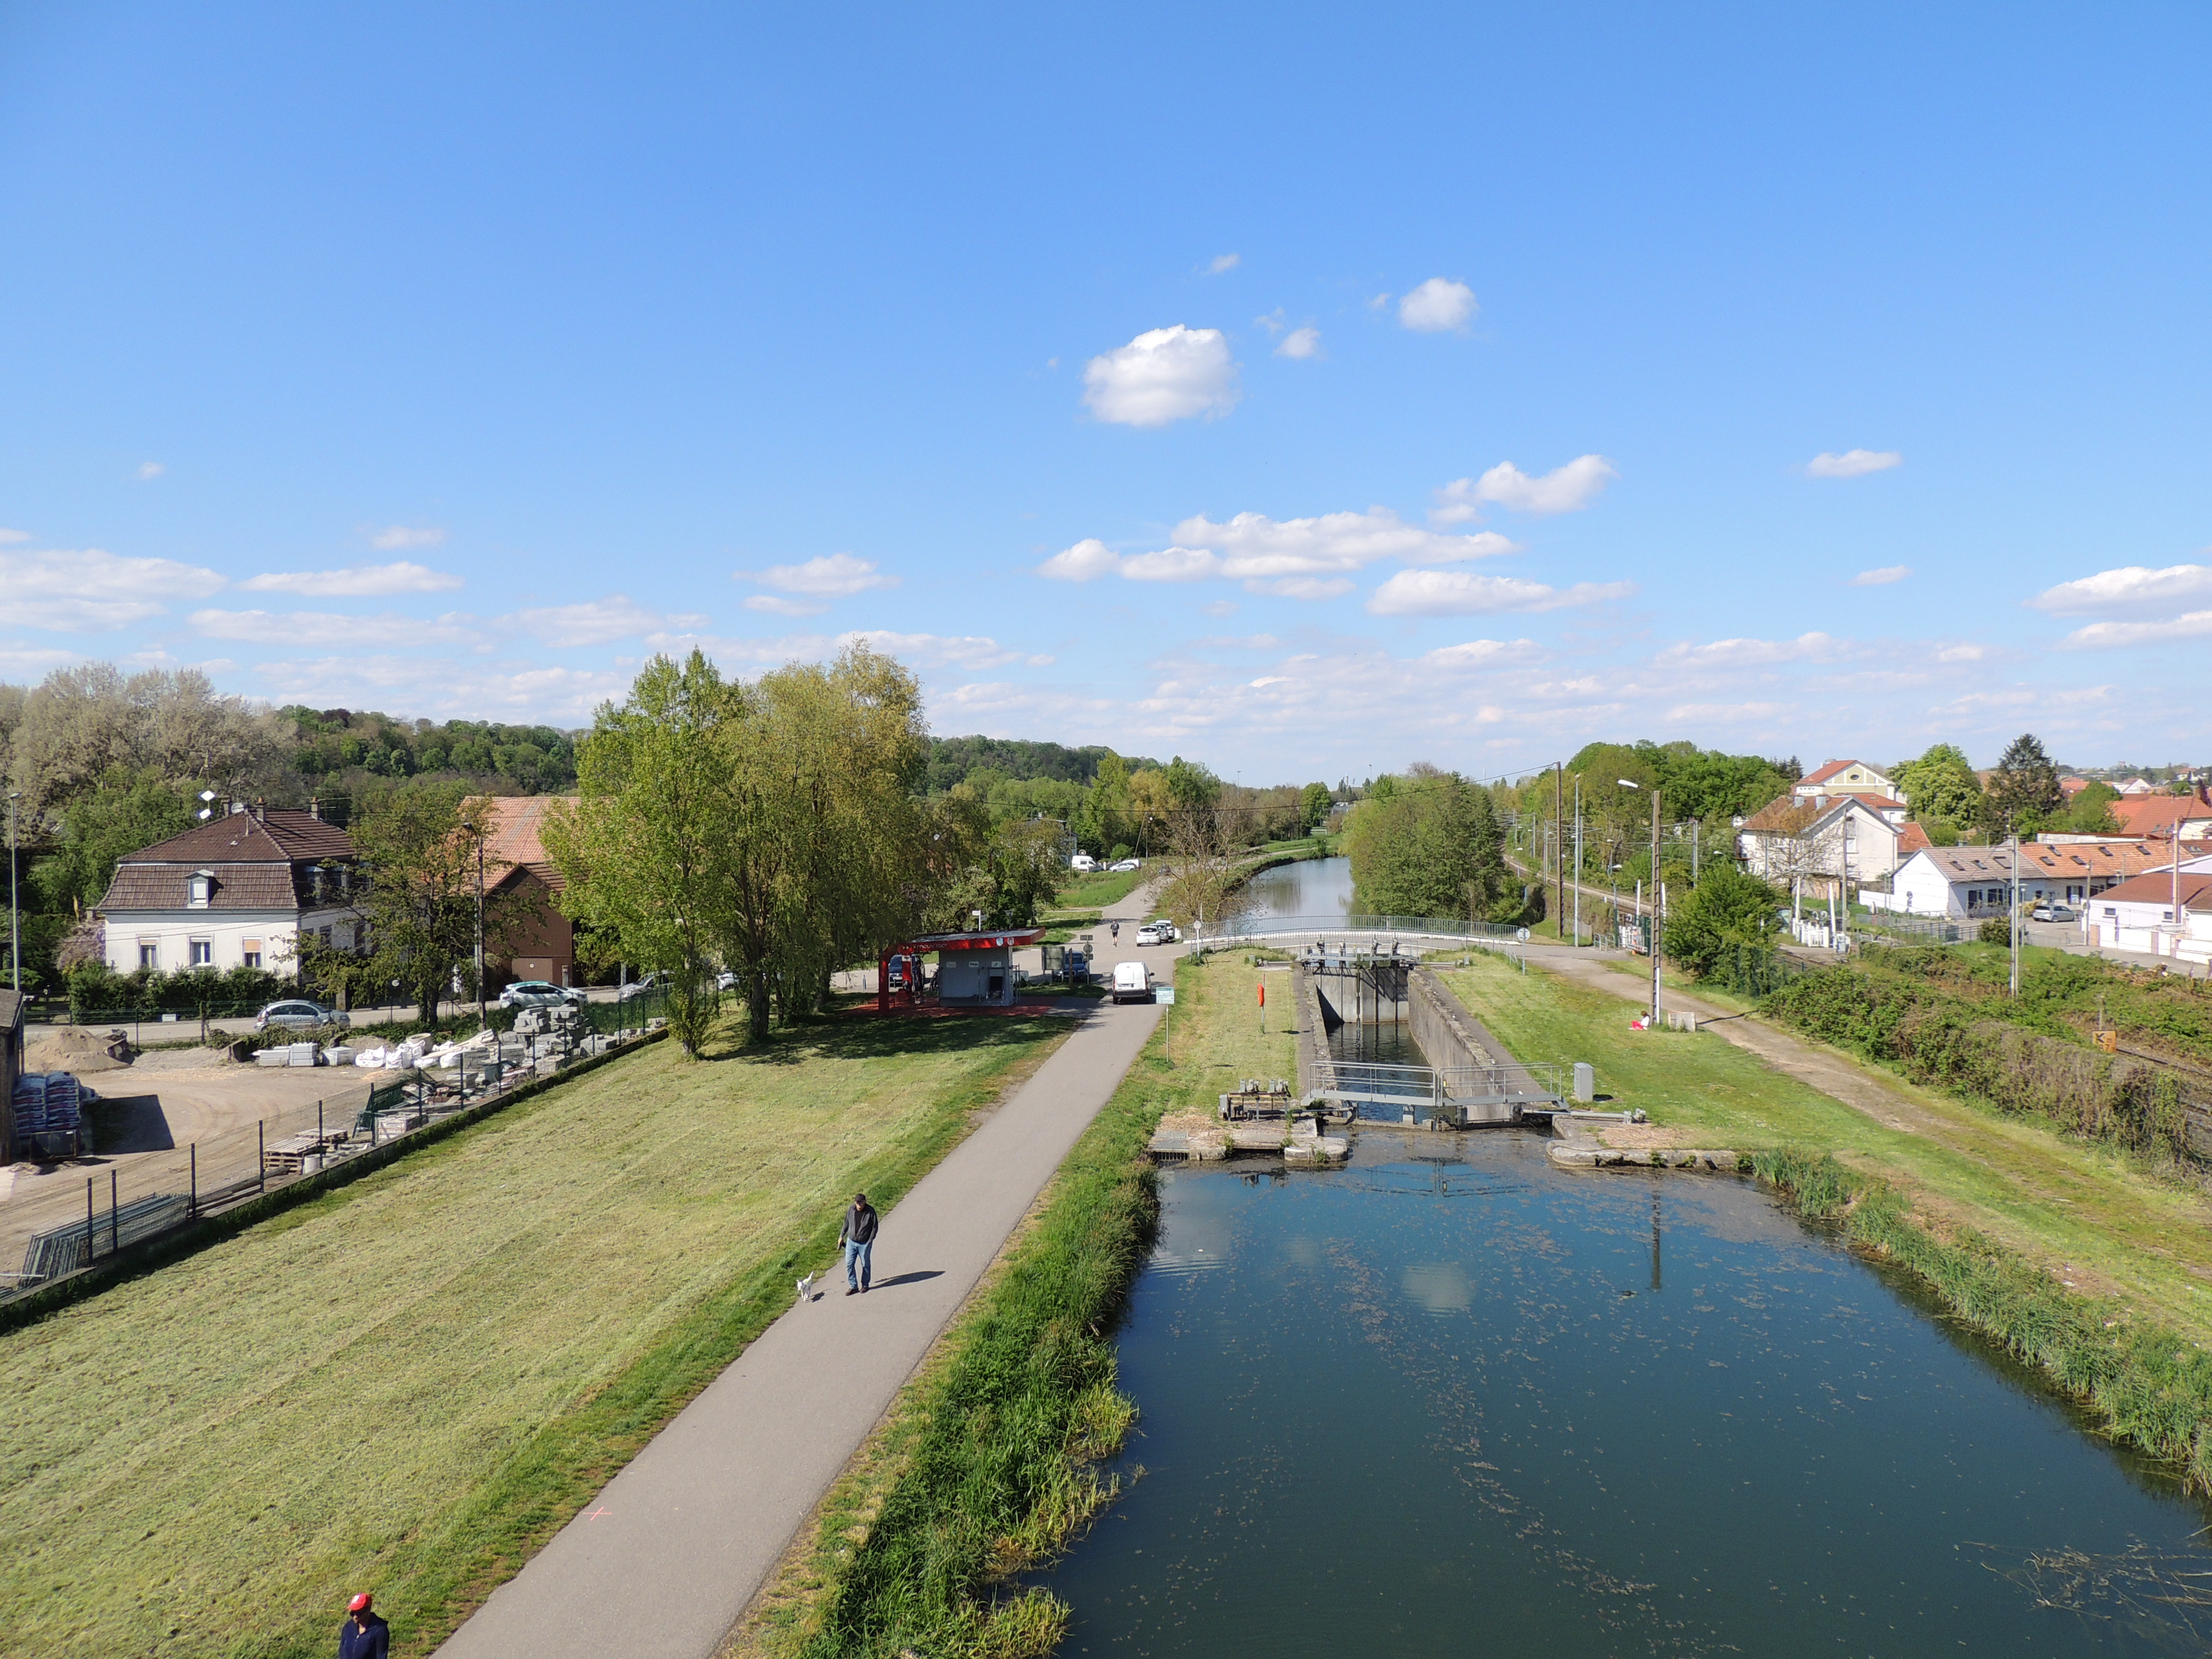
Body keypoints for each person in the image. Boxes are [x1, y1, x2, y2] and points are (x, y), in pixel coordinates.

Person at [840, 1191, 878, 1294]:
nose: (859, 1205)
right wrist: (841, 1236)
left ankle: (865, 1285)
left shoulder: (870, 1212)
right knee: (849, 1264)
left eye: (861, 1203)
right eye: (857, 1203)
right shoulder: (851, 1210)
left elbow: (875, 1228)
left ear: (865, 1202)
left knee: (865, 1264)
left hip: (864, 1243)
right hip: (851, 1242)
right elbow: (846, 1223)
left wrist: (870, 1242)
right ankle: (853, 1286)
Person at [339, 1592, 389, 1659]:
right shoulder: (348, 1627)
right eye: (352, 1613)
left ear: (368, 1610)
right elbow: (342, 1651)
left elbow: (381, 1656)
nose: (355, 1617)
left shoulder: (379, 1630)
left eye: (359, 1613)